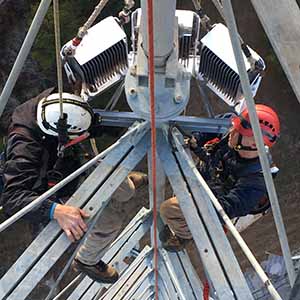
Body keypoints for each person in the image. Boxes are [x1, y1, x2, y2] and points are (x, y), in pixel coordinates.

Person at [1, 90, 147, 283]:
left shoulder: (57, 107)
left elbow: (89, 125)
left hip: (68, 166)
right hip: (50, 187)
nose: (84, 136)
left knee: (125, 190)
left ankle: (126, 182)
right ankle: (87, 260)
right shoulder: (25, 151)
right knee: (109, 222)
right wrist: (55, 210)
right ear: (58, 134)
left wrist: (125, 127)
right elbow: (13, 198)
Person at [159, 104, 280, 252]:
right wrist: (195, 140)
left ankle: (186, 235)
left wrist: (193, 200)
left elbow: (225, 209)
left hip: (221, 199)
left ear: (253, 144)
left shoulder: (256, 181)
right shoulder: (229, 128)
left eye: (237, 132)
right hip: (211, 177)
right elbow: (206, 131)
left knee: (169, 209)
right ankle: (186, 217)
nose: (231, 130)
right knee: (180, 195)